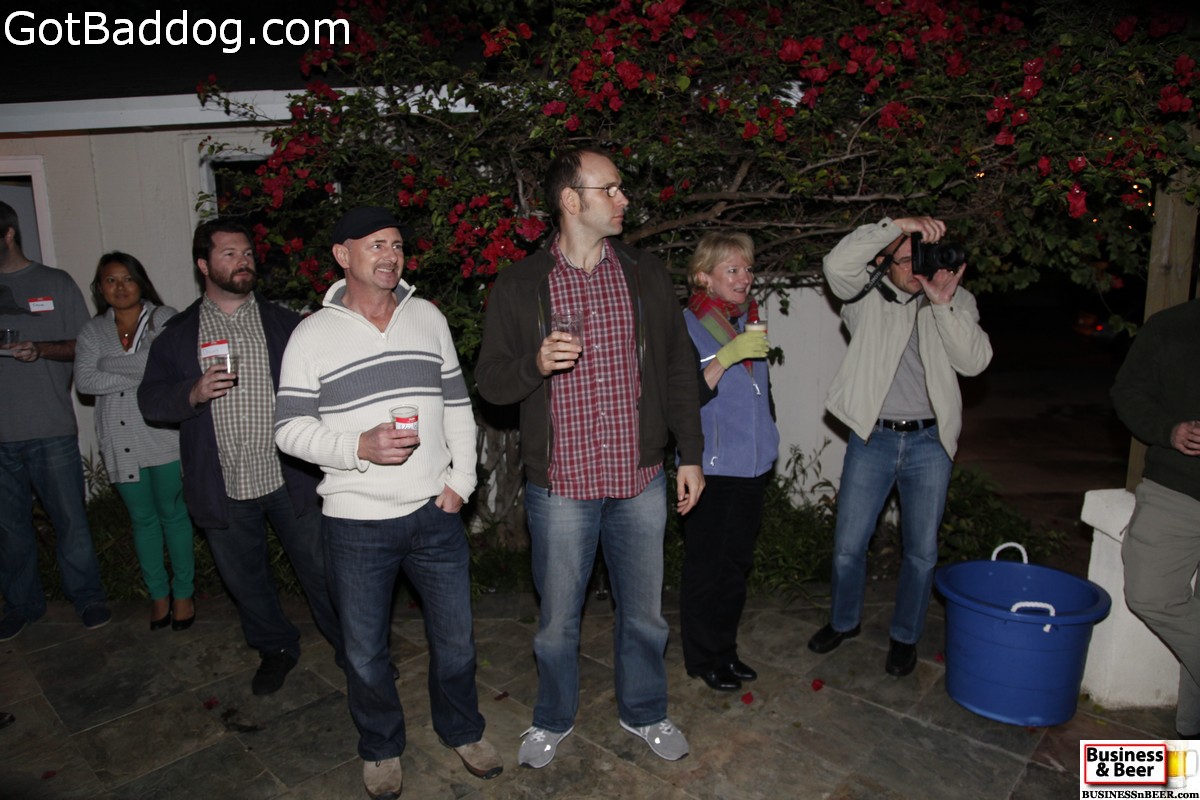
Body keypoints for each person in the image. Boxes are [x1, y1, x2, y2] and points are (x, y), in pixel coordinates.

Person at [476, 147, 705, 768]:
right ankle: (552, 717)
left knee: (645, 615)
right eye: (611, 189)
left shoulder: (644, 274)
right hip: (562, 485)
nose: (624, 199)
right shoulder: (521, 284)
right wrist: (535, 364)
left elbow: (678, 368)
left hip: (639, 477)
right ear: (571, 200)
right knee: (557, 622)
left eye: (621, 188)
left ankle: (646, 711)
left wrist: (689, 453)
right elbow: (491, 382)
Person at [275, 206, 501, 798]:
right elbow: (289, 429)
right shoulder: (311, 334)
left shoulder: (427, 317)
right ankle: (380, 747)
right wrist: (358, 446)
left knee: (456, 642)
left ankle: (463, 730)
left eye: (397, 244)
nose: (390, 255)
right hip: (356, 523)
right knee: (364, 653)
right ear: (342, 255)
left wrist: (462, 483)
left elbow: (457, 407)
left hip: (434, 515)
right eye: (375, 244)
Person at [138, 218, 341, 695]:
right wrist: (191, 392)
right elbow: (150, 400)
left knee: (324, 571)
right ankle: (275, 648)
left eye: (247, 252)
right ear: (203, 264)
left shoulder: (286, 325)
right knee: (246, 581)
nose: (243, 261)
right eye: (229, 254)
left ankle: (354, 648)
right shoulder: (178, 335)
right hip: (223, 482)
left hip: (290, 476)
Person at [807, 216, 992, 676]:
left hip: (929, 443)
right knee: (848, 545)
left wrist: (943, 305)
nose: (915, 268)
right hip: (873, 438)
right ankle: (844, 621)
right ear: (884, 262)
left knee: (922, 553)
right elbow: (835, 265)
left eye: (921, 258)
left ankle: (905, 635)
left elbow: (974, 363)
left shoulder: (956, 300)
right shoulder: (863, 298)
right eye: (905, 259)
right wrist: (896, 225)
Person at [0, 200, 111, 641]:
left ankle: (87, 597)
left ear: (8, 234)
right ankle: (21, 604)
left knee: (70, 523)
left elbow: (87, 347)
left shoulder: (55, 283)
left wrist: (40, 349)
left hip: (50, 428)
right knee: (9, 529)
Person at [679, 232, 778, 692]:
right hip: (710, 467)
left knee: (735, 567)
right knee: (707, 569)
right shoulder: (687, 325)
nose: (744, 278)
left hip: (753, 465)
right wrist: (725, 357)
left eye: (748, 269)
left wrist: (771, 433)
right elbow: (685, 398)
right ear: (704, 277)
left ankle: (726, 650)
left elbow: (761, 394)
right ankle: (702, 657)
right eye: (732, 270)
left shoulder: (748, 320)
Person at [75, 252, 195, 630]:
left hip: (163, 435)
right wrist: (144, 365)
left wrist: (109, 363)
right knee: (142, 521)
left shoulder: (165, 317)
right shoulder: (92, 331)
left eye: (127, 278)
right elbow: (86, 382)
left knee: (174, 516)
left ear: (140, 281)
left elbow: (170, 363)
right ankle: (158, 595)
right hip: (120, 438)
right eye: (110, 280)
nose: (120, 287)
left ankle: (183, 593)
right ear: (100, 288)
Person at [1112, 298, 1200, 739]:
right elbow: (1127, 392)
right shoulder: (1173, 326)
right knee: (1149, 593)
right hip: (1177, 487)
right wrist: (1170, 429)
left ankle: (1190, 743)